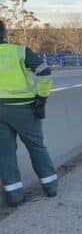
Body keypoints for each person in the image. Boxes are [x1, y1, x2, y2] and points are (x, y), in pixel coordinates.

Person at [0, 20, 57, 206]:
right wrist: (42, 98)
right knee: (36, 146)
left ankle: (15, 197)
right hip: (24, 109)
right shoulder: (19, 51)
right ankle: (50, 187)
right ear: (4, 34)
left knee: (5, 154)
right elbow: (44, 72)